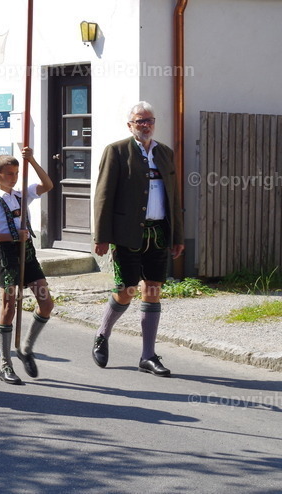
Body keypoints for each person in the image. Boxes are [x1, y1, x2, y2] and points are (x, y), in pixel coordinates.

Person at [92, 101, 184, 377]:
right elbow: (103, 196)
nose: (145, 125)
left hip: (158, 233)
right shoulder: (117, 151)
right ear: (130, 124)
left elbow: (174, 198)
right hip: (126, 234)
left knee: (153, 290)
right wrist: (101, 236)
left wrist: (177, 235)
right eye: (139, 121)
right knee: (126, 290)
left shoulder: (165, 153)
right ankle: (102, 333)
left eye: (149, 121)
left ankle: (148, 355)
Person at [0, 148, 55, 385]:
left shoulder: (22, 194)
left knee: (46, 302)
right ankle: (5, 363)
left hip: (28, 255)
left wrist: (31, 160)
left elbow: (48, 184)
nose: (14, 177)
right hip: (9, 257)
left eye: (16, 173)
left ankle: (26, 348)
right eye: (9, 173)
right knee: (9, 306)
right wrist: (11, 238)